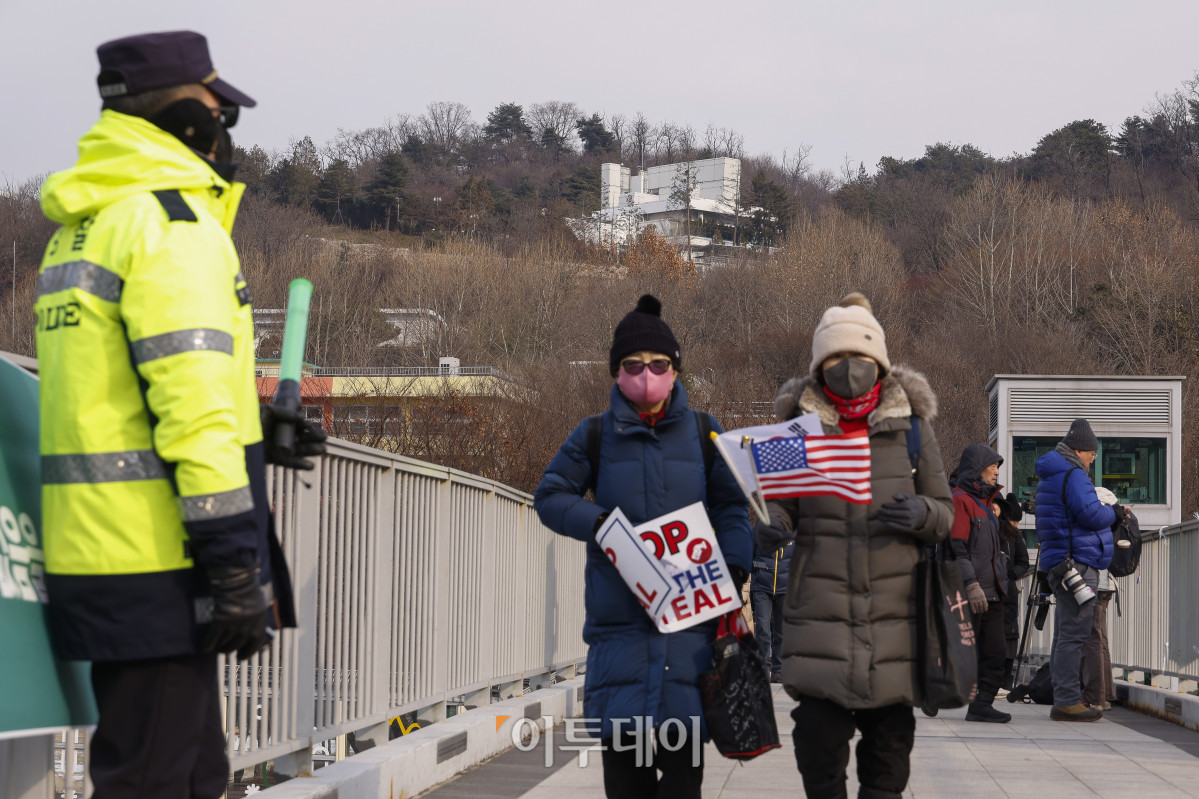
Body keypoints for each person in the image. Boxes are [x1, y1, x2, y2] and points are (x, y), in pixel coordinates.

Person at [36, 31, 325, 798]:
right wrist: (235, 561)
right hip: (162, 554)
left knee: (192, 770)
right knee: (156, 779)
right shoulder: (174, 229)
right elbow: (191, 413)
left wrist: (261, 435)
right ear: (186, 117)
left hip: (100, 545)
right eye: (215, 108)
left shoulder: (87, 223)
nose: (225, 128)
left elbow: (123, 398)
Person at [534, 294, 752, 799]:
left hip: (691, 643)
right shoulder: (593, 435)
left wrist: (734, 564)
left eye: (659, 364)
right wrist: (602, 524)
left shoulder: (705, 432)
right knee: (627, 788)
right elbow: (550, 496)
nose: (647, 374)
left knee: (683, 788)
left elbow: (732, 508)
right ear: (616, 372)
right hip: (621, 643)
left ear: (675, 370)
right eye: (633, 365)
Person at [754, 293, 952, 799]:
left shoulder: (912, 429)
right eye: (836, 359)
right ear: (820, 365)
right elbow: (776, 506)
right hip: (820, 617)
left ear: (879, 362)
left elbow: (945, 511)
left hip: (895, 623)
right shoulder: (794, 430)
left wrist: (923, 514)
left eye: (859, 358)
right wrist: (769, 524)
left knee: (888, 763)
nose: (848, 369)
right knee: (817, 751)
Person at [1033, 418, 1119, 722]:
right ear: (1080, 450)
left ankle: (1064, 697)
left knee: (1064, 633)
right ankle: (1068, 700)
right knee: (1075, 634)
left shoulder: (1053, 473)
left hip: (1061, 561)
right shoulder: (1073, 474)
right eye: (1092, 454)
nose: (1093, 459)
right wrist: (1114, 512)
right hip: (1077, 562)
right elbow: (1090, 513)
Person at [947, 445, 1011, 723]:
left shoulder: (987, 504)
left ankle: (981, 705)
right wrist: (970, 584)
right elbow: (957, 548)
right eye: (992, 465)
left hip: (994, 592)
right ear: (977, 468)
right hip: (970, 591)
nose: (997, 471)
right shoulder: (960, 500)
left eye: (998, 466)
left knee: (996, 652)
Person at [1081, 487, 1120, 711]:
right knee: (1101, 638)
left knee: (1092, 638)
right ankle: (1105, 693)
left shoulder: (1096, 511)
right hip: (1107, 583)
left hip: (1096, 581)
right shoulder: (1110, 508)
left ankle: (1095, 695)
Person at [994, 492, 1030, 691]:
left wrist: (1011, 576)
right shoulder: (984, 529)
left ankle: (1007, 677)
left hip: (1007, 590)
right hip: (986, 589)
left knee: (1009, 633)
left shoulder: (1013, 534)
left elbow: (1024, 561)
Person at [750, 537, 794, 683]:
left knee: (781, 630)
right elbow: (748, 553)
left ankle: (778, 670)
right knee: (763, 627)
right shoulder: (760, 531)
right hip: (762, 587)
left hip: (785, 588)